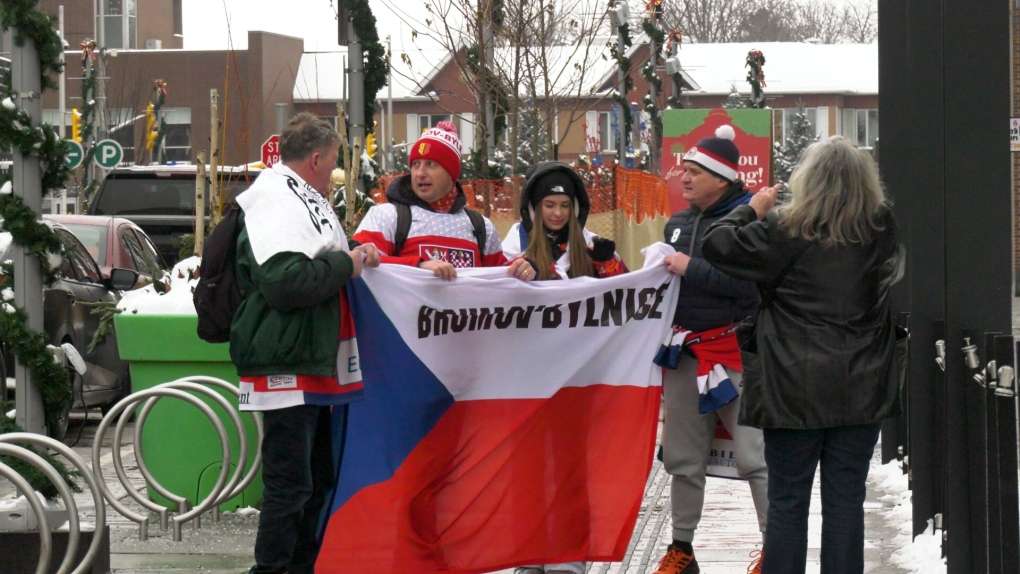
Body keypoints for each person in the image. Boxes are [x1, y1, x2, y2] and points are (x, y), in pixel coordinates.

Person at [701, 136, 903, 574]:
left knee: (788, 501)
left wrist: (750, 208)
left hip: (790, 386)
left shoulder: (782, 230)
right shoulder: (881, 229)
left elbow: (715, 243)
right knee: (846, 499)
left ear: (807, 180)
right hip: (862, 384)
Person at [231, 112, 380, 574]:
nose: (334, 172)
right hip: (286, 358)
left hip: (310, 359)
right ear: (316, 159)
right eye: (334, 163)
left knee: (315, 481)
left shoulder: (299, 196)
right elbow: (285, 281)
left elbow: (319, 253)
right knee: (290, 484)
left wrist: (354, 251)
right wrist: (347, 265)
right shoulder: (276, 200)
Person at [501, 161, 627, 574]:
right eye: (549, 205)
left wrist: (609, 266)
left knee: (571, 471)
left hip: (576, 377)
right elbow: (493, 296)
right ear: (534, 208)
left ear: (576, 208)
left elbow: (624, 299)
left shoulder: (588, 244)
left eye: (564, 205)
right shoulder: (513, 242)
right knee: (529, 473)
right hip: (528, 379)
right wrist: (517, 275)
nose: (557, 213)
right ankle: (529, 556)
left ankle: (568, 561)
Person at [656, 125, 768, 574]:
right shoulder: (676, 223)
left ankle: (774, 547)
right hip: (684, 356)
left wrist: (689, 267)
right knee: (682, 459)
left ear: (720, 178)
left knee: (754, 457)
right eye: (683, 170)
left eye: (694, 171)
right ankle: (681, 549)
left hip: (734, 354)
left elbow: (747, 287)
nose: (683, 178)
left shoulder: (749, 219)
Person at [354, 120, 538, 281]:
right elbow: (360, 264)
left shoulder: (481, 227)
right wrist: (418, 267)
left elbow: (500, 277)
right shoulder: (386, 217)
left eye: (431, 164)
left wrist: (523, 267)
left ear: (451, 173)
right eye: (416, 164)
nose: (420, 173)